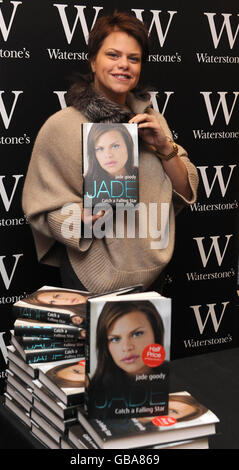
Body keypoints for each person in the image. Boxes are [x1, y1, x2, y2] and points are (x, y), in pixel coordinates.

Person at [22, 11, 198, 294]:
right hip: (91, 272)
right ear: (93, 61)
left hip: (155, 271)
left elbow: (185, 191)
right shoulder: (62, 127)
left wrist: (165, 146)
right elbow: (41, 209)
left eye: (133, 58)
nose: (123, 65)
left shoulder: (153, 120)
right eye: (113, 55)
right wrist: (79, 218)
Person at [87, 300, 168, 413]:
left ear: (155, 332)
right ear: (105, 346)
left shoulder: (177, 376)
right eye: (115, 339)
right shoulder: (94, 393)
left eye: (137, 334)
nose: (127, 347)